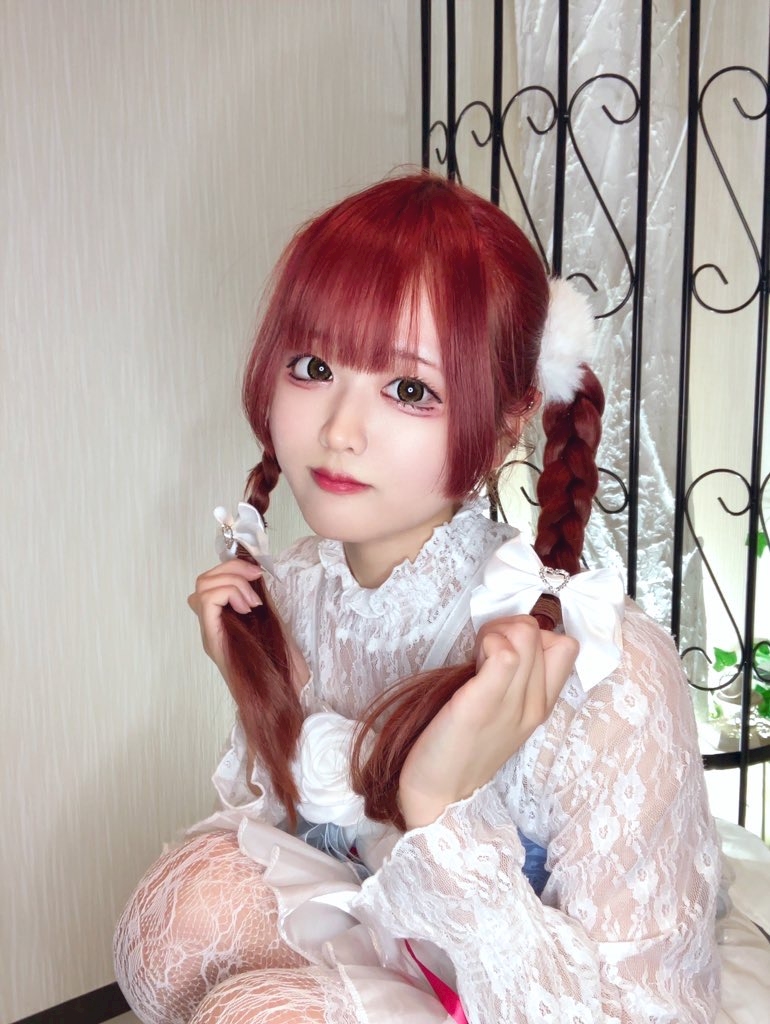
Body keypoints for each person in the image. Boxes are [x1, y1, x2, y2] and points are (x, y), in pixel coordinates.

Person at [114, 172, 720, 1024]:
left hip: (525, 996)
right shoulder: (294, 590)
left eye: (409, 389)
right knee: (179, 915)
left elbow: (650, 1010)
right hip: (385, 948)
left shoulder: (604, 670)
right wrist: (264, 691)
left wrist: (438, 809)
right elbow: (292, 846)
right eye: (314, 367)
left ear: (507, 424)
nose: (339, 430)